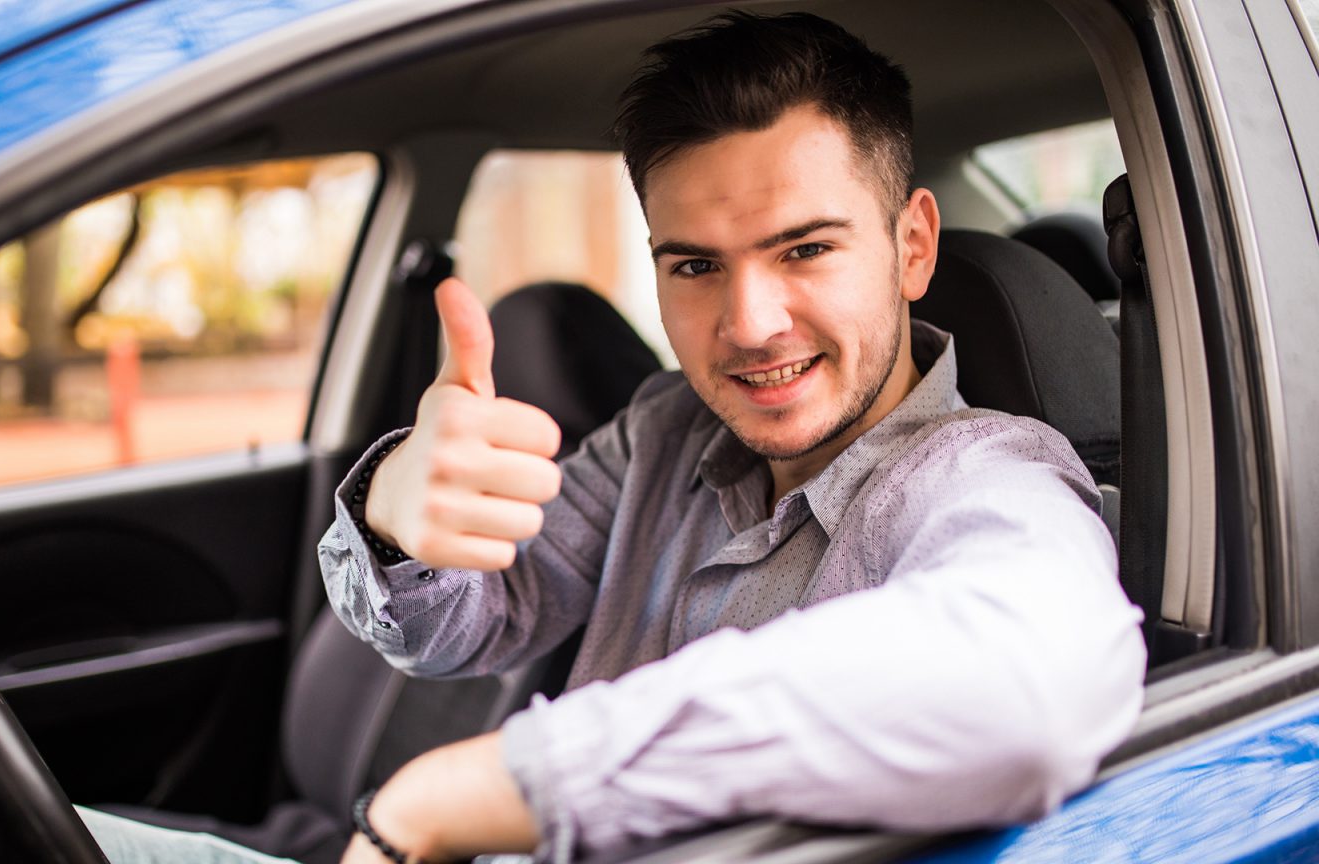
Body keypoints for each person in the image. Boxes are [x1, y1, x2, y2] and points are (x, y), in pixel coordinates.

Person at [82, 10, 1145, 864]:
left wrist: (500, 784)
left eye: (806, 248)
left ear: (911, 246)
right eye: (694, 265)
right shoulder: (662, 432)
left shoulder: (983, 477)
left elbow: (1033, 685)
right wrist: (401, 521)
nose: (750, 323)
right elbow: (466, 630)